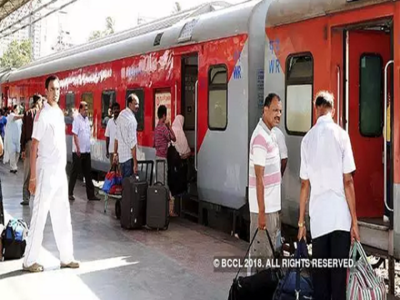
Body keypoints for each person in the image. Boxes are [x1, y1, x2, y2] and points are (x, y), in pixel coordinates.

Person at [297, 91, 360, 300]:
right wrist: (355, 222)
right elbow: (348, 181)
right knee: (338, 276)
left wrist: (301, 223)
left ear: (316, 109)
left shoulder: (306, 140)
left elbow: (304, 184)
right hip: (340, 219)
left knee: (320, 277)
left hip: (319, 220)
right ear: (333, 110)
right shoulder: (342, 135)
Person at [23, 75, 79, 273]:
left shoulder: (58, 112)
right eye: (53, 89)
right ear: (46, 91)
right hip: (45, 171)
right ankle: (29, 260)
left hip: (59, 172)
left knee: (62, 215)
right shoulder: (43, 115)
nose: (56, 92)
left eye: (58, 89)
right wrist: (33, 177)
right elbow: (34, 147)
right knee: (39, 216)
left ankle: (66, 257)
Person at [248, 93, 283, 274]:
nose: (278, 114)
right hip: (264, 210)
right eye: (275, 110)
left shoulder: (271, 135)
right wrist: (262, 213)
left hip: (271, 208)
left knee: (268, 259)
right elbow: (259, 177)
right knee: (261, 263)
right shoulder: (260, 137)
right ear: (265, 110)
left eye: (280, 111)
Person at [68, 101, 99, 201]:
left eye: (87, 109)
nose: (86, 111)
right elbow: (75, 134)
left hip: (86, 150)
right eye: (84, 109)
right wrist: (77, 148)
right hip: (78, 151)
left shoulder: (86, 120)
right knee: (74, 172)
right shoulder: (77, 120)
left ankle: (91, 195)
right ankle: (69, 193)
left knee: (88, 173)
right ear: (80, 109)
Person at [20, 94, 43, 206]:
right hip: (41, 145)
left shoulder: (28, 113)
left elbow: (23, 132)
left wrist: (22, 149)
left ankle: (26, 198)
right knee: (40, 172)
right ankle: (39, 199)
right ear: (38, 101)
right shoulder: (42, 114)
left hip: (29, 144)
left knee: (28, 172)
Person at [154, 105, 177, 216]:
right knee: (164, 183)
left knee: (159, 182)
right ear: (164, 115)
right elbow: (173, 138)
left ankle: (160, 206)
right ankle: (168, 210)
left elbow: (154, 143)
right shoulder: (163, 128)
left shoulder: (156, 127)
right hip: (163, 159)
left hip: (157, 158)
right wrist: (169, 127)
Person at [114, 94, 139, 178]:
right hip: (129, 158)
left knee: (124, 186)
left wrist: (115, 154)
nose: (137, 106)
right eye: (135, 104)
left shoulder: (121, 115)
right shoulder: (132, 120)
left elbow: (116, 138)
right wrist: (135, 163)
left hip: (121, 158)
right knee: (129, 186)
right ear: (129, 104)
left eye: (138, 104)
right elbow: (133, 144)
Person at [4, 105, 23, 173]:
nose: (18, 110)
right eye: (17, 109)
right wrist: (25, 115)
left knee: (18, 152)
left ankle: (14, 165)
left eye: (19, 109)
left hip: (17, 138)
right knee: (12, 153)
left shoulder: (20, 120)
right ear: (14, 109)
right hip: (11, 138)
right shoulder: (11, 115)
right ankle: (13, 168)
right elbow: (16, 117)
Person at [105, 102, 120, 168]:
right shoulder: (109, 122)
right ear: (112, 111)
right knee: (112, 170)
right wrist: (107, 150)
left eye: (117, 109)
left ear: (119, 110)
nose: (116, 110)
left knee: (119, 171)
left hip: (120, 151)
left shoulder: (122, 121)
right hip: (111, 150)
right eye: (114, 109)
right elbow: (107, 137)